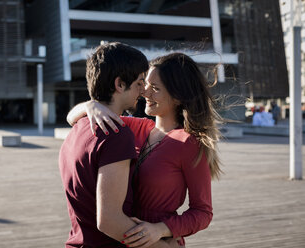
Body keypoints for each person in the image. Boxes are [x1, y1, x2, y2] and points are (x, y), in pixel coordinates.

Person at [68, 53, 222, 247]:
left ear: (177, 96)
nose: (145, 93)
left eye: (155, 88)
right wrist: (91, 105)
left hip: (158, 241)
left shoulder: (189, 144)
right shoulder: (133, 127)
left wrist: (161, 229)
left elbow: (203, 212)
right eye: (145, 85)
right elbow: (73, 119)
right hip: (119, 237)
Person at [59, 42, 178, 248]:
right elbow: (109, 221)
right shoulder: (116, 134)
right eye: (140, 83)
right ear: (120, 84)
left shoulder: (78, 127)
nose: (143, 91)